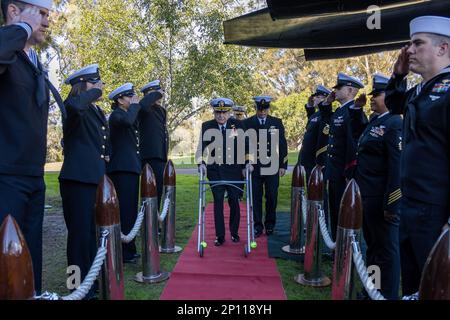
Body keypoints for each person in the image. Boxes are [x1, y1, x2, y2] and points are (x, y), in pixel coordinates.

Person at [385, 15, 450, 295]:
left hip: (437, 212)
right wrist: (398, 74)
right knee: (413, 284)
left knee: (437, 286)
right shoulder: (420, 90)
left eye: (417, 43)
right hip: (411, 206)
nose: (409, 50)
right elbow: (393, 102)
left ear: (442, 48)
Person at [0, 0, 53, 294]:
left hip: (34, 176)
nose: (47, 21)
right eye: (41, 13)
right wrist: (22, 28)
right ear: (13, 11)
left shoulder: (33, 62)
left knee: (31, 258)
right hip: (6, 177)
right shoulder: (7, 50)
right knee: (7, 262)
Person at [59, 64, 108, 299]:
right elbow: (75, 106)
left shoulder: (94, 110)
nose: (99, 87)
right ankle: (75, 285)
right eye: (94, 83)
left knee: (90, 236)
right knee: (77, 238)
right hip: (76, 180)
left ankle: (89, 283)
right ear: (82, 85)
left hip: (93, 178)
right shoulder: (73, 105)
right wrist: (94, 93)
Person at [355, 74, 402, 300]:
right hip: (368, 197)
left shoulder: (395, 123)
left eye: (377, 95)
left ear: (390, 97)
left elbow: (397, 169)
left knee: (387, 253)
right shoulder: (376, 121)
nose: (372, 99)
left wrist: (391, 204)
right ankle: (373, 289)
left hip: (382, 201)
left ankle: (388, 295)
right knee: (373, 249)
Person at [198, 98, 251, 246]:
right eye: (218, 112)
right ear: (214, 112)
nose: (221, 115)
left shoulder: (238, 125)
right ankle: (219, 236)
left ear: (229, 112)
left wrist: (248, 164)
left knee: (234, 201)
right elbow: (202, 147)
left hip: (235, 171)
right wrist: (201, 163)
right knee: (218, 203)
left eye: (224, 112)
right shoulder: (207, 126)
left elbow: (246, 146)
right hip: (215, 171)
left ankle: (234, 233)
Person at [322, 73, 368, 241]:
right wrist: (327, 102)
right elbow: (325, 120)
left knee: (343, 212)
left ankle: (342, 247)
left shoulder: (353, 112)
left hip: (344, 173)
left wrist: (350, 173)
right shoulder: (340, 111)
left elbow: (353, 145)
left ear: (350, 90)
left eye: (339, 88)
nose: (335, 91)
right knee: (335, 210)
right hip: (334, 171)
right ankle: (336, 245)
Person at [243, 96, 288, 237]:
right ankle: (257, 226)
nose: (262, 112)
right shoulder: (247, 123)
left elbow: (282, 144)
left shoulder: (276, 122)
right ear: (256, 108)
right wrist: (245, 164)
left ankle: (270, 224)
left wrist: (283, 165)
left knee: (272, 196)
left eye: (265, 109)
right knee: (256, 197)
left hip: (272, 165)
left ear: (269, 108)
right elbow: (243, 145)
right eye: (260, 109)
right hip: (254, 167)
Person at [107, 83, 141, 264]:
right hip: (122, 170)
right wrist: (135, 106)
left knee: (131, 211)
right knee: (126, 211)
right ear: (120, 99)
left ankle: (129, 249)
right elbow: (128, 121)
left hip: (129, 168)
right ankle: (125, 252)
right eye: (130, 97)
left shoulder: (127, 114)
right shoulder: (117, 115)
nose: (133, 100)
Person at [139, 80, 168, 209]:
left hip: (160, 155)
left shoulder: (161, 110)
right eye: (157, 93)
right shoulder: (145, 108)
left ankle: (155, 220)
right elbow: (143, 104)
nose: (160, 96)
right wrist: (155, 95)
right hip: (149, 155)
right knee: (150, 190)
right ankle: (149, 220)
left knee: (159, 189)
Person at [298, 85, 333, 181]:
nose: (314, 98)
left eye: (318, 97)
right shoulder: (316, 115)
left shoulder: (327, 115)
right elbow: (311, 123)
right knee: (311, 189)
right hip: (308, 159)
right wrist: (309, 106)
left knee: (319, 191)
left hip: (317, 161)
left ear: (325, 98)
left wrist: (321, 161)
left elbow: (324, 138)